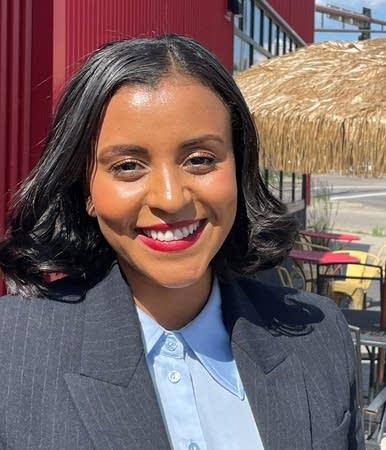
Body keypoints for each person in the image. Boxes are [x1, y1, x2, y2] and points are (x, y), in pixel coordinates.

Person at [0, 34, 362, 450]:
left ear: (239, 169)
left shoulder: (317, 334)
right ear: (87, 190)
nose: (170, 199)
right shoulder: (13, 349)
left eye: (200, 159)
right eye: (128, 166)